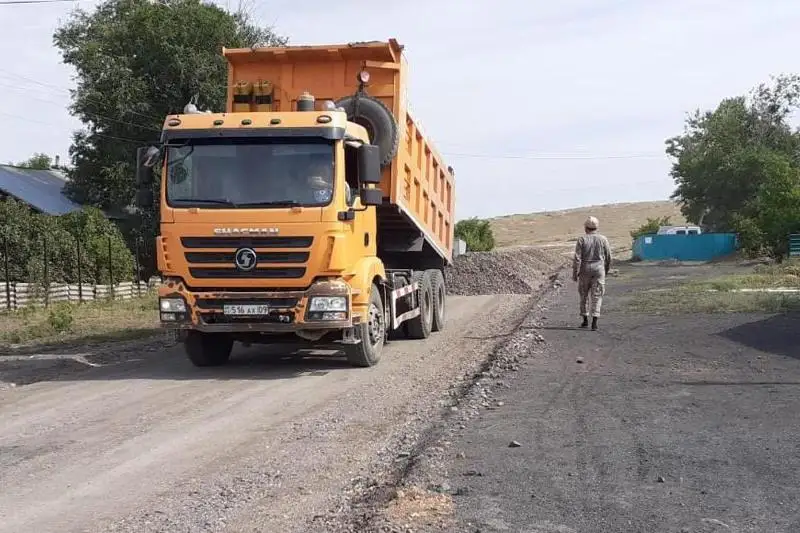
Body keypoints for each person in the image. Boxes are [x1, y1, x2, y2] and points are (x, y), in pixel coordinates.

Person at [572, 216, 612, 331]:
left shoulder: (582, 239)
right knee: (597, 295)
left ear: (586, 228)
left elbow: (577, 258)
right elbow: (609, 256)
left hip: (585, 270)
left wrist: (575, 273)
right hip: (599, 269)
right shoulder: (603, 239)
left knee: (584, 295)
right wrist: (606, 270)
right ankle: (595, 322)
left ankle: (585, 321)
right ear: (596, 227)